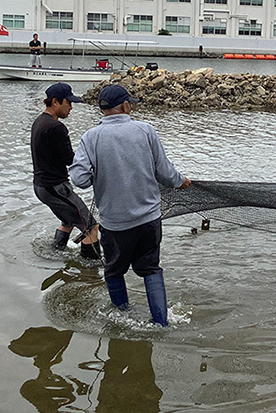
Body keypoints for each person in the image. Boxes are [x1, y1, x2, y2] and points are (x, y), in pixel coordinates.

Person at [70, 85, 190, 326]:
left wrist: (99, 170)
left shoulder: (91, 137)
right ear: (125, 106)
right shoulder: (145, 130)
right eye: (130, 103)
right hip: (149, 219)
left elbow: (79, 180)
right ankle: (161, 323)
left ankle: (122, 317)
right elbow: (165, 173)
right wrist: (181, 182)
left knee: (114, 270)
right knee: (151, 268)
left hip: (115, 224)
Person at [31, 82, 100, 259]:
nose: (71, 108)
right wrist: (94, 163)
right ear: (55, 102)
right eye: (68, 103)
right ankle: (90, 270)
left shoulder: (39, 122)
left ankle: (56, 252)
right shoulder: (57, 127)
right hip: (55, 187)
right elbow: (70, 159)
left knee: (69, 220)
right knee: (90, 226)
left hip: (41, 187)